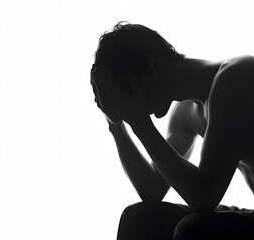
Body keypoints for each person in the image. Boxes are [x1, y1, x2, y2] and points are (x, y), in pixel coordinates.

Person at [90, 21, 254, 240]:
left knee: (194, 230)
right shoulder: (186, 112)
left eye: (131, 93)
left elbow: (204, 197)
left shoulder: (237, 77)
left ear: (156, 64)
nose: (135, 106)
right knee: (139, 218)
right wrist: (117, 126)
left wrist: (139, 122)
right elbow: (153, 190)